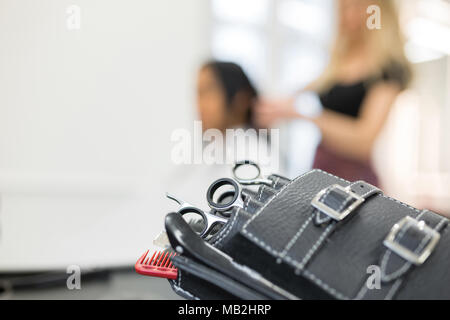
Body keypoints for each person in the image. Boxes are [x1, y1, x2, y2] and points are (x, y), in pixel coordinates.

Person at [254, 0, 412, 186]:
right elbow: (301, 92)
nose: (346, 16)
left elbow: (363, 141)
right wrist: (275, 107)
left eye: (355, 7)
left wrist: (303, 115)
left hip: (355, 181)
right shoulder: (338, 64)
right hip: (321, 171)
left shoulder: (389, 70)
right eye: (342, 9)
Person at [196, 61, 258, 132]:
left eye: (208, 91)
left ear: (241, 99)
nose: (200, 104)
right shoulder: (219, 141)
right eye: (199, 93)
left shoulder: (250, 142)